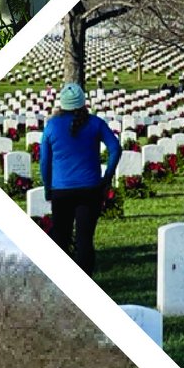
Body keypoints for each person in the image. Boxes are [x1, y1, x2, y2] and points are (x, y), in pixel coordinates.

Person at [38, 81, 122, 275]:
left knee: (61, 238)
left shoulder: (52, 126)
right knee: (85, 239)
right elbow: (115, 148)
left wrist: (47, 187)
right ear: (84, 102)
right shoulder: (95, 123)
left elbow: (44, 161)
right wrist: (107, 176)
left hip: (61, 190)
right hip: (90, 189)